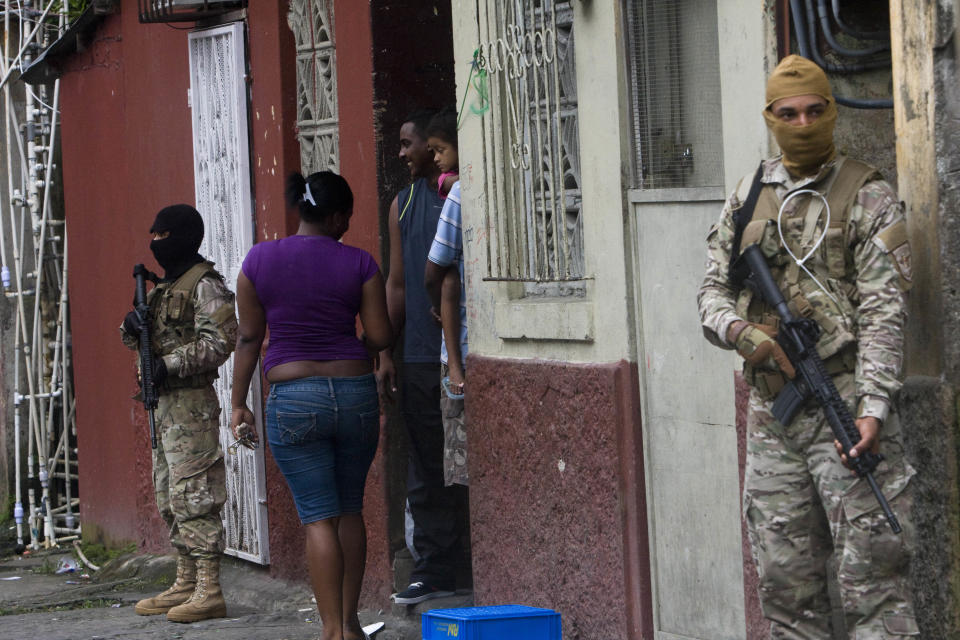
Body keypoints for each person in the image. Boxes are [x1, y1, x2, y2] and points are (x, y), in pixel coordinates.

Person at [697, 55, 918, 637]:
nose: (803, 123)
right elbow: (711, 291)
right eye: (788, 113)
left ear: (832, 111)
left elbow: (884, 311)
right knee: (783, 584)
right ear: (770, 116)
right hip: (776, 414)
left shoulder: (868, 196)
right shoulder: (748, 196)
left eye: (815, 111)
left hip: (845, 402)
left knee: (873, 581)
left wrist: (872, 409)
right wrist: (744, 335)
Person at [229, 171, 390, 640]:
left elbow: (248, 338)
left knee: (318, 515)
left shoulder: (258, 260)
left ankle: (330, 632)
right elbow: (379, 337)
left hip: (293, 398)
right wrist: (357, 341)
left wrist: (239, 403)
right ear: (338, 216)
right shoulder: (360, 263)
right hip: (356, 394)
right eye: (347, 218)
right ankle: (352, 624)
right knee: (350, 509)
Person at [120, 204, 237, 623]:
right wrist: (132, 328)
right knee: (171, 495)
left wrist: (168, 365)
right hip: (165, 407)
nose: (155, 244)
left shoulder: (204, 284)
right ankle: (186, 579)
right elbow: (147, 337)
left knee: (196, 494)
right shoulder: (162, 288)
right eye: (152, 236)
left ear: (184, 236)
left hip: (191, 407)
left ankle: (210, 588)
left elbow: (221, 341)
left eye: (163, 236)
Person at [377, 109, 469, 605]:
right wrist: (385, 350)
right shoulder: (404, 204)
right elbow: (396, 281)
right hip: (416, 353)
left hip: (459, 352)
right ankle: (434, 565)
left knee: (463, 461)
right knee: (426, 461)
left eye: (410, 143)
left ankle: (467, 560)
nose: (405, 153)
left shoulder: (465, 195)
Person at [423, 108, 469, 487]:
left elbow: (436, 269)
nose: (435, 158)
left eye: (440, 149)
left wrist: (435, 305)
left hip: (461, 349)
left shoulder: (459, 192)